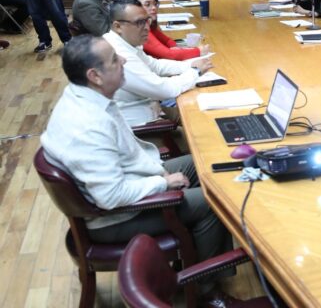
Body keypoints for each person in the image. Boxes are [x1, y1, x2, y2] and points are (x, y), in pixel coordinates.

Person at [40, 34, 238, 306]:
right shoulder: (88, 126)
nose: (123, 60)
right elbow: (110, 196)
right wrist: (163, 183)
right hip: (113, 219)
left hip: (132, 181)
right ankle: (206, 291)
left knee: (207, 163)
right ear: (94, 76)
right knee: (213, 201)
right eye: (114, 60)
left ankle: (202, 261)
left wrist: (162, 176)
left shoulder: (84, 95)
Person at [102, 0, 212, 127]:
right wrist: (195, 71)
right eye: (139, 22)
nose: (147, 28)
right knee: (205, 121)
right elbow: (164, 90)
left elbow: (156, 65)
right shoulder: (118, 54)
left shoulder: (123, 41)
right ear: (118, 26)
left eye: (147, 21)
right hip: (141, 128)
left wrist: (191, 64)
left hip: (151, 110)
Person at [132, 0, 209, 61]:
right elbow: (169, 55)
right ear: (134, 7)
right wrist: (199, 51)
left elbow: (167, 41)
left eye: (155, 4)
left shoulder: (148, 24)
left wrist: (174, 47)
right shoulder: (140, 30)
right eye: (147, 4)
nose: (154, 8)